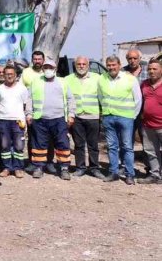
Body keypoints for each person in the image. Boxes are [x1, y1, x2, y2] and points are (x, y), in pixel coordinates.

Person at [27, 57, 75, 180]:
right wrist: (29, 113)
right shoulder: (36, 81)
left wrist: (71, 114)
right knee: (39, 144)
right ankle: (39, 167)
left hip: (59, 119)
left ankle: (64, 168)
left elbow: (70, 99)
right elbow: (29, 99)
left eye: (50, 67)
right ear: (43, 69)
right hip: (40, 119)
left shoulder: (63, 82)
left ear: (55, 69)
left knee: (62, 143)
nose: (48, 70)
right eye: (46, 67)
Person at [99, 55, 142, 185]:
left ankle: (130, 175)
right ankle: (114, 172)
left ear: (119, 65)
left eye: (114, 65)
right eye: (109, 65)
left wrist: (132, 116)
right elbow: (100, 97)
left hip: (126, 117)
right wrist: (106, 112)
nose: (111, 67)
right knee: (112, 146)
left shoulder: (130, 79)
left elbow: (138, 99)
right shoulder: (102, 78)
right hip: (108, 117)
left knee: (127, 147)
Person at [64, 56, 103, 178]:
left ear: (88, 65)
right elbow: (65, 99)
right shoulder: (68, 79)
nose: (81, 66)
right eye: (79, 64)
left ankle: (94, 168)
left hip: (93, 116)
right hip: (77, 116)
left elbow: (102, 96)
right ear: (75, 65)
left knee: (93, 145)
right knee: (79, 144)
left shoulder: (97, 78)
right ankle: (80, 167)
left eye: (84, 64)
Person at [0, 65, 31, 177]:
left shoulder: (22, 89)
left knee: (19, 146)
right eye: (7, 74)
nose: (9, 76)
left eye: (11, 74)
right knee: (5, 146)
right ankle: (7, 168)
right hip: (3, 121)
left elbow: (25, 105)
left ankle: (18, 168)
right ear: (3, 75)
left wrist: (24, 118)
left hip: (17, 121)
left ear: (15, 75)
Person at [138, 59, 162, 184]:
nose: (151, 71)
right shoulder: (144, 84)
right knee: (150, 151)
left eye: (155, 69)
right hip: (147, 125)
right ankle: (155, 174)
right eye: (150, 69)